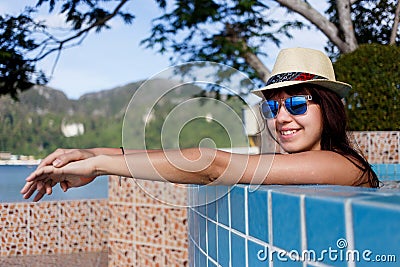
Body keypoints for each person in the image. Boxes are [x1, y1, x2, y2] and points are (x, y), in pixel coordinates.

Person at [21, 47, 379, 202]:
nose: (282, 117)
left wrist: (100, 166)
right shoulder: (295, 167)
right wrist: (91, 151)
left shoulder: (345, 165)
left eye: (298, 103)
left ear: (328, 108)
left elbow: (210, 163)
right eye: (273, 107)